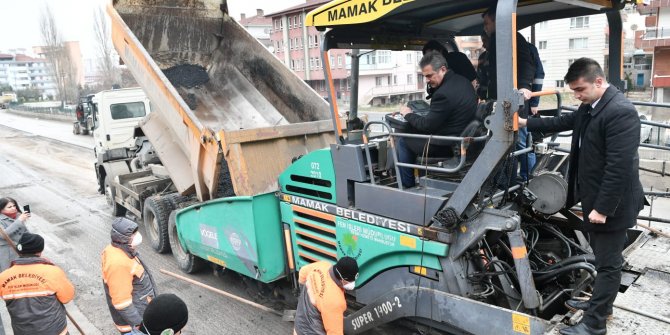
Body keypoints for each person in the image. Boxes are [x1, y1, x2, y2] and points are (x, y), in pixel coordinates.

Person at [519, 58, 645, 335]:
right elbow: (564, 120)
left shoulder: (620, 111)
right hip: (596, 199)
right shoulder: (593, 106)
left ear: (598, 82)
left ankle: (595, 325)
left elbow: (619, 167)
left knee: (610, 264)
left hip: (612, 205)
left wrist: (601, 209)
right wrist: (526, 122)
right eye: (574, 91)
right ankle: (600, 305)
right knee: (601, 259)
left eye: (580, 90)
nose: (576, 96)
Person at [396, 51, 478, 188]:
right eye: (425, 76)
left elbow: (427, 125)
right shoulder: (463, 81)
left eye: (429, 76)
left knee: (403, 139)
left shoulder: (442, 94)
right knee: (410, 129)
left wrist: (407, 114)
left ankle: (407, 185)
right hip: (460, 137)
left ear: (443, 70)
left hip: (446, 144)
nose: (427, 80)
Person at [480, 6, 537, 183]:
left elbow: (527, 64)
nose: (485, 28)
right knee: (504, 144)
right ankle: (508, 182)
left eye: (487, 23)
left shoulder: (513, 37)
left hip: (514, 102)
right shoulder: (496, 40)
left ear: (497, 20)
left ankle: (530, 179)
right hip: (501, 102)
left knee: (519, 142)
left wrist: (525, 87)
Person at [0, 233, 75, 335]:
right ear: (40, 251)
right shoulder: (52, 272)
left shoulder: (3, 277)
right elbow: (67, 297)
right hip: (55, 331)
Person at [102, 217, 157, 334]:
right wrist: (140, 325)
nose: (137, 235)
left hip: (141, 315)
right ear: (122, 239)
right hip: (133, 327)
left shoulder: (123, 250)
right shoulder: (118, 263)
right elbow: (122, 303)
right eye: (133, 234)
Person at [294, 257, 359, 335]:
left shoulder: (323, 265)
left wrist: (304, 297)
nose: (352, 283)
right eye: (350, 281)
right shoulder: (335, 300)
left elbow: (302, 272)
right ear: (343, 279)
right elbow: (334, 333)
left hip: (298, 325)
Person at [0, 197, 30, 271]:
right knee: (9, 272)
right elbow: (3, 235)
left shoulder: (17, 216)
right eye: (9, 207)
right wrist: (19, 221)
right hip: (8, 251)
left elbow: (24, 231)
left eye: (14, 206)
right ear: (1, 209)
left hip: (21, 249)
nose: (13, 208)